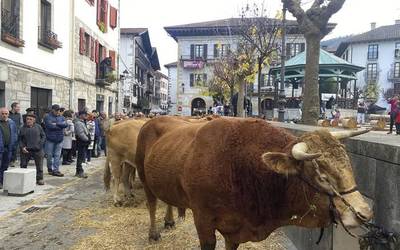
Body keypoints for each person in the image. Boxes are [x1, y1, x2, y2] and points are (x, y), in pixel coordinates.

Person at [19, 114, 46, 185]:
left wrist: (40, 145)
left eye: (30, 119)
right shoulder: (22, 128)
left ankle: (40, 179)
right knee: (23, 165)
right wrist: (22, 147)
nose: (28, 121)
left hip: (37, 149)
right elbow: (19, 139)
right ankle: (23, 179)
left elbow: (43, 136)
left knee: (39, 166)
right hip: (26, 150)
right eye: (27, 119)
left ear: (34, 120)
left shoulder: (38, 127)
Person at [44, 104, 67, 177]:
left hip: (59, 139)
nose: (58, 112)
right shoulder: (47, 117)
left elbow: (65, 125)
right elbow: (49, 126)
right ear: (52, 110)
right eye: (56, 110)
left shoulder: (62, 117)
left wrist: (56, 124)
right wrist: (60, 126)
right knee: (49, 155)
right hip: (50, 139)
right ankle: (49, 168)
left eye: (59, 110)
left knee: (57, 155)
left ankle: (56, 170)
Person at [0, 108, 18, 189]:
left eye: (6, 113)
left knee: (5, 166)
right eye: (2, 113)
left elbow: (14, 134)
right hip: (0, 148)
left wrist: (14, 145)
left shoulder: (11, 122)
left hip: (8, 148)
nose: (4, 115)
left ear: (8, 114)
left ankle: (2, 181)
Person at [74, 111, 90, 178]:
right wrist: (87, 139)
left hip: (83, 142)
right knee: (80, 157)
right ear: (81, 115)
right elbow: (80, 134)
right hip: (81, 142)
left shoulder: (82, 122)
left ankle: (79, 171)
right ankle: (79, 171)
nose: (86, 116)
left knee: (82, 157)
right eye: (84, 115)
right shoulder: (78, 123)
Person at [9, 102, 22, 167]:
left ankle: (12, 161)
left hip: (16, 134)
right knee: (9, 148)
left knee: (15, 148)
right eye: (18, 107)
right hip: (9, 134)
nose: (19, 108)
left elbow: (20, 124)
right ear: (14, 107)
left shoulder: (19, 115)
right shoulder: (8, 114)